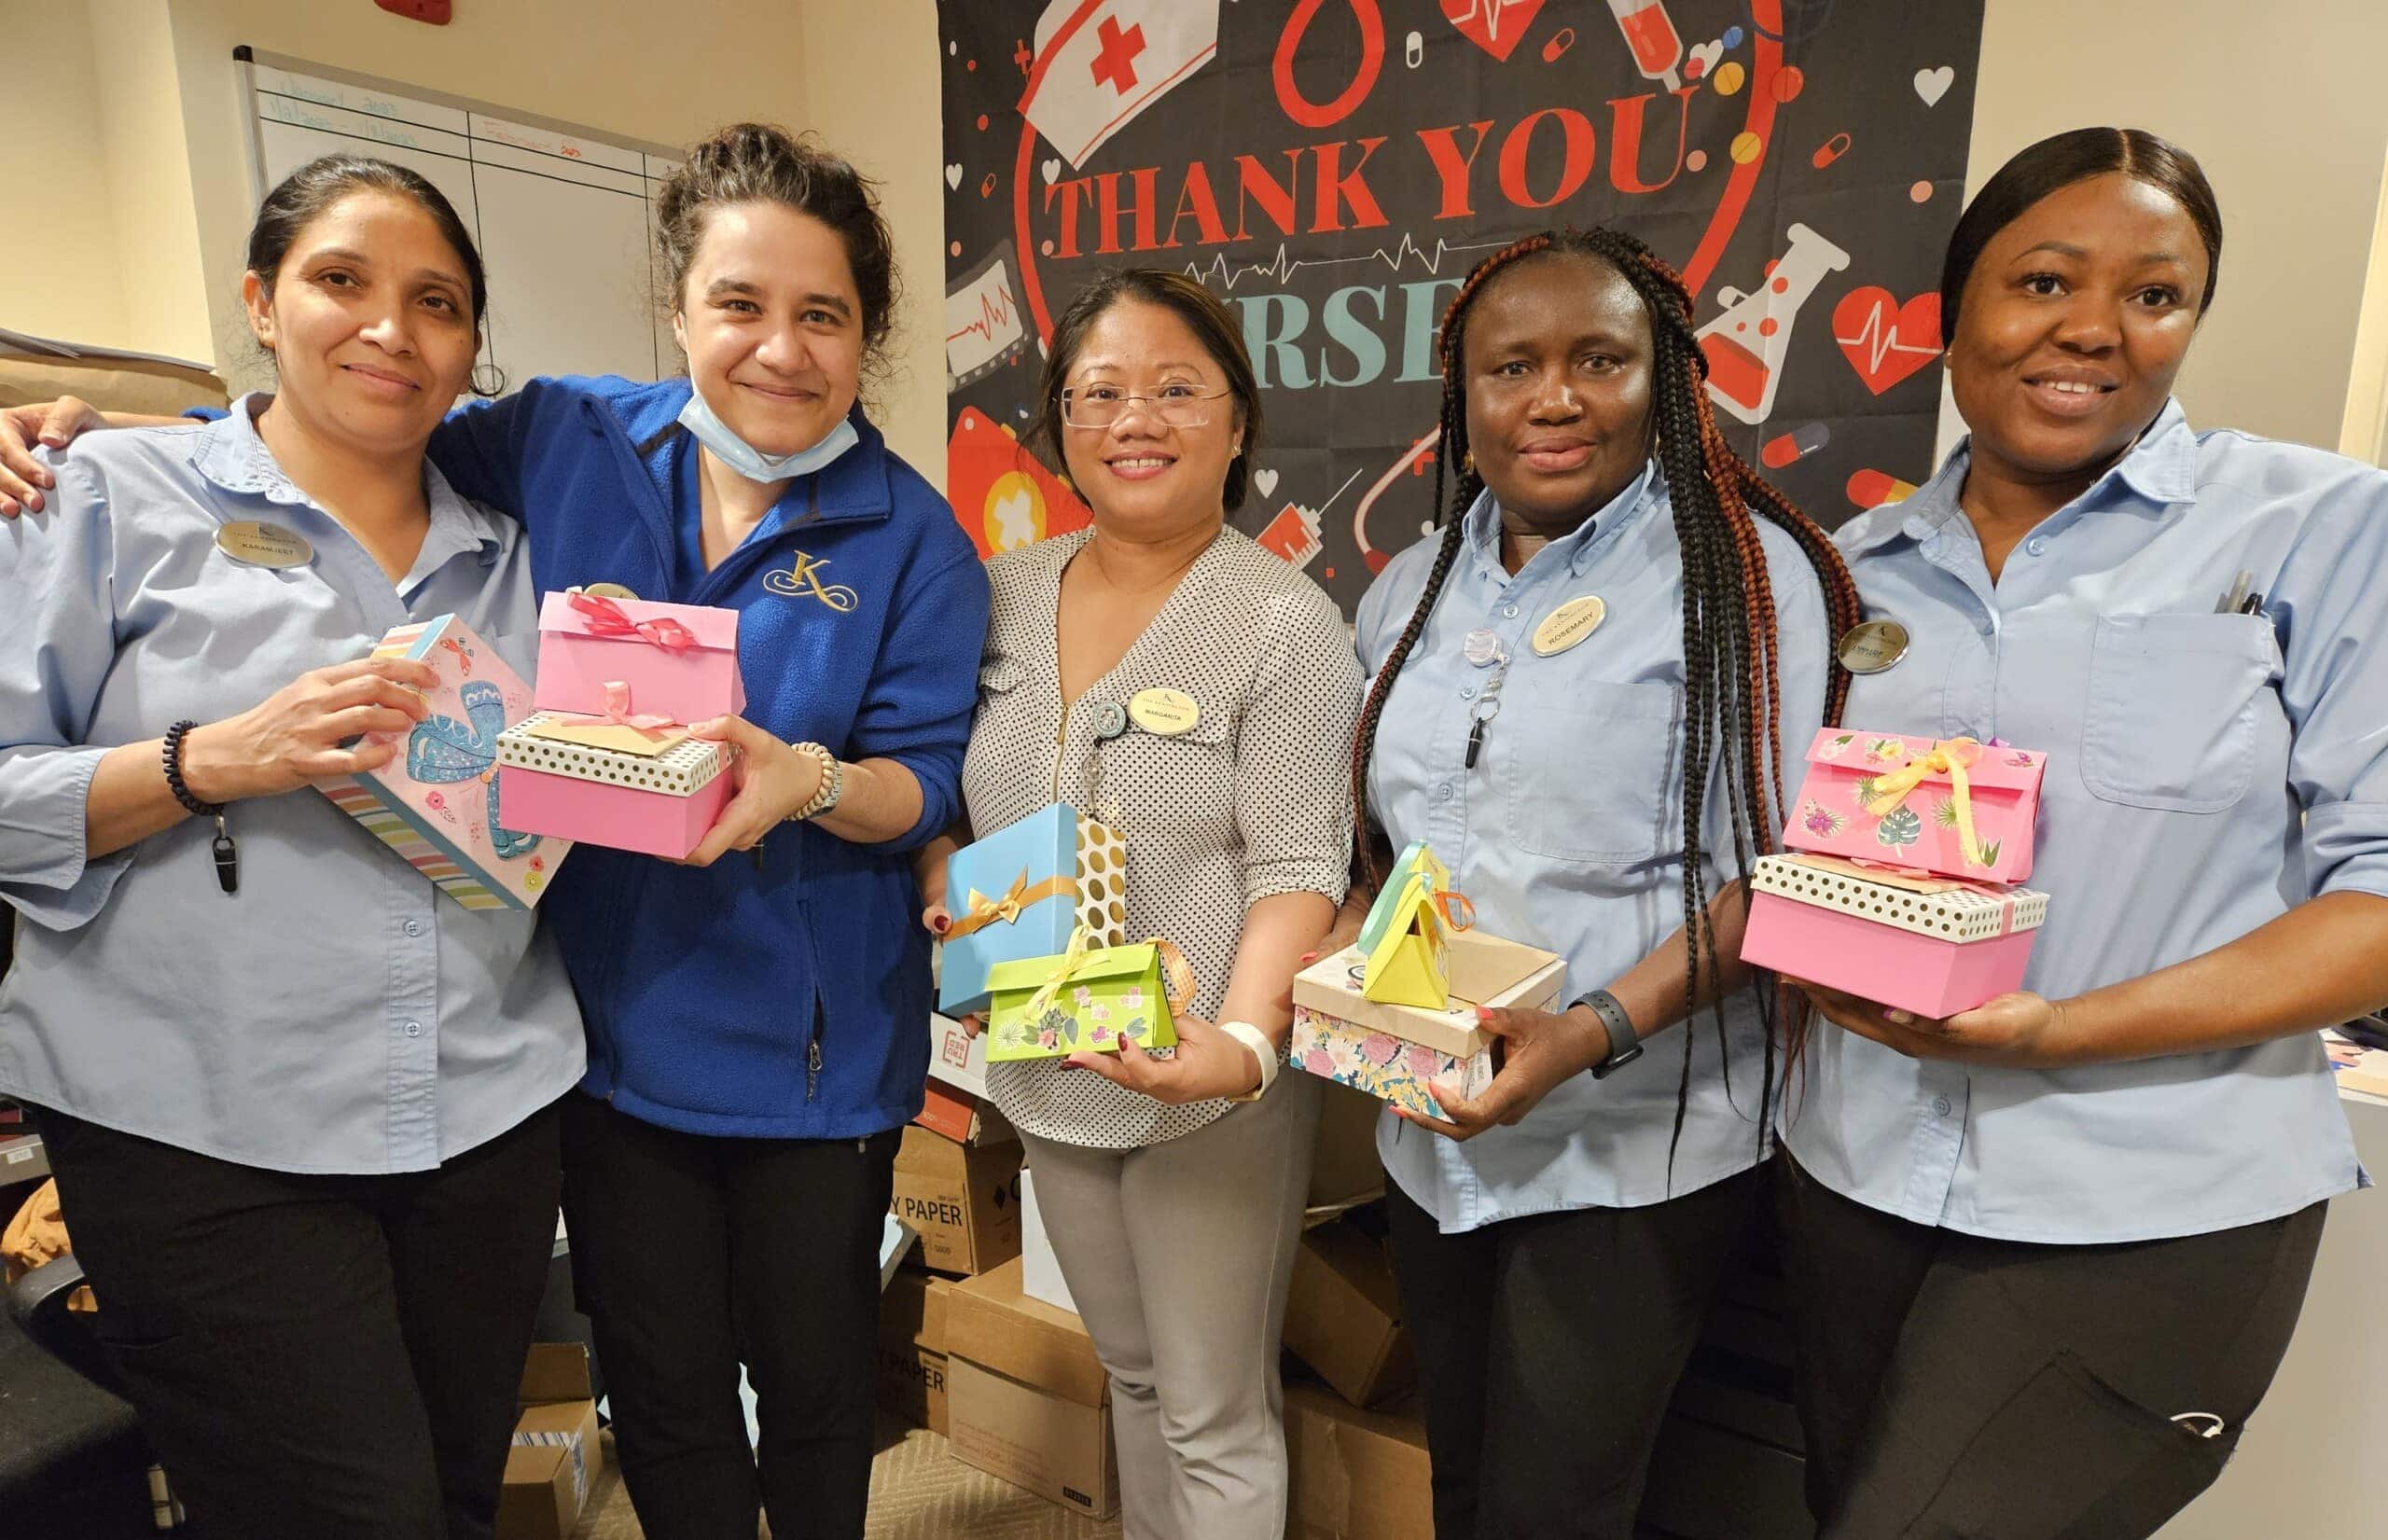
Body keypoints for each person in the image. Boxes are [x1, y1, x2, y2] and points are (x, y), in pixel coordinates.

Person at [1, 123, 989, 1540]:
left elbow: (927, 778)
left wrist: (813, 783)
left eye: (820, 314)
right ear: (680, 311)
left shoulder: (903, 539)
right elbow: (328, 428)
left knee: (797, 1393)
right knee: (651, 1400)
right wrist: (95, 435)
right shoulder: (566, 443)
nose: (779, 349)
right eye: (740, 305)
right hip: (585, 1050)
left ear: (868, 332)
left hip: (734, 1063)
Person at [1774, 127, 2388, 1538]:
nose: (2096, 332)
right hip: (1852, 1179)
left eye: (2155, 296)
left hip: (2149, 1204)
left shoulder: (2316, 532)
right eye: (2043, 282)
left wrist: (2065, 1028)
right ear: (1953, 314)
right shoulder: (1850, 572)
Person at [0, 155, 582, 1539]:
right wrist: (211, 760)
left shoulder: (517, 549)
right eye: (342, 281)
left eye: (437, 302)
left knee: (446, 1498)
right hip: (203, 1125)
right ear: (261, 303)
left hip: (484, 1111)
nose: (391, 328)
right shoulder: (94, 496)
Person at [1344, 226, 1859, 1539]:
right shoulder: (1409, 590)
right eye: (1511, 367)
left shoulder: (1748, 579)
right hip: (1436, 1128)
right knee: (1458, 1479)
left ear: (1670, 381)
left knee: (1556, 1508)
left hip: (1633, 1147)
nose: (1555, 395)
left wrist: (1591, 1031)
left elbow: (1793, 872)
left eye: (1601, 359)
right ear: (1462, 404)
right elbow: (1383, 847)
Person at [916, 269, 1359, 1539]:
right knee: (1130, 1371)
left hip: (1203, 1080)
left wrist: (1242, 1046)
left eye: (1175, 389)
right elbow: (943, 790)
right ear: (1059, 425)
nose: (1134, 419)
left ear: (1237, 421)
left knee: (1214, 1412)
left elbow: (1296, 865)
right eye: (1098, 392)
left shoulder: (1281, 620)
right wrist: (939, 867)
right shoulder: (997, 592)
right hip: (1047, 1058)